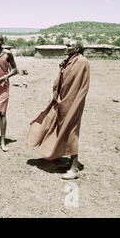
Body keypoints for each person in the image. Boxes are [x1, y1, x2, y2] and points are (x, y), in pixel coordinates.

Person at [27, 40, 90, 180]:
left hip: (72, 103)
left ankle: (74, 168)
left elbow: (80, 87)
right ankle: (69, 161)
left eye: (69, 46)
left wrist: (69, 102)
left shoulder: (82, 62)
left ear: (77, 48)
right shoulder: (70, 61)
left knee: (71, 132)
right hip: (62, 102)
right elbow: (64, 81)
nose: (65, 47)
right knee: (59, 128)